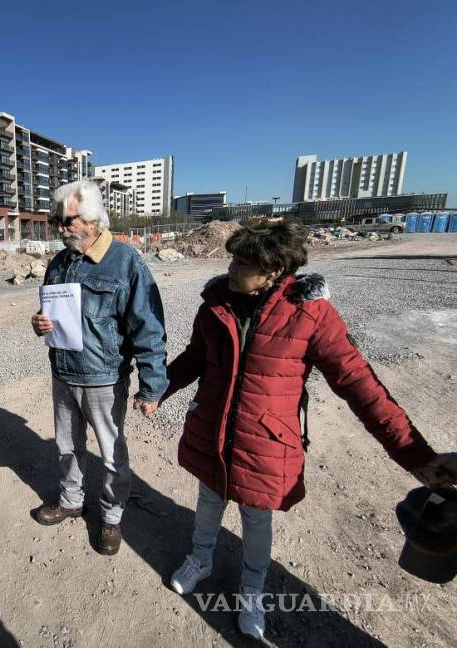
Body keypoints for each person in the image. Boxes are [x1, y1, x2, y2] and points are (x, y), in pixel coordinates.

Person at [159, 220, 455, 639]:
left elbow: (360, 385)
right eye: (233, 258)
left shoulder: (311, 315)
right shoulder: (214, 304)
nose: (232, 268)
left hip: (265, 441)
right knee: (208, 499)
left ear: (276, 269)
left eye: (244, 263)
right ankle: (200, 559)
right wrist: (158, 390)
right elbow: (194, 358)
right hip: (211, 431)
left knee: (256, 518)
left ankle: (251, 590)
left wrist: (415, 454)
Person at [30, 180, 169, 556]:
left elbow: (148, 325)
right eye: (57, 221)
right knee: (66, 447)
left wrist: (152, 385)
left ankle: (111, 516)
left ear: (93, 219)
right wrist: (39, 323)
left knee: (111, 455)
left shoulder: (126, 261)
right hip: (63, 373)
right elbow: (47, 313)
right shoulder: (59, 263)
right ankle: (72, 500)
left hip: (103, 379)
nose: (61, 229)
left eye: (68, 220)